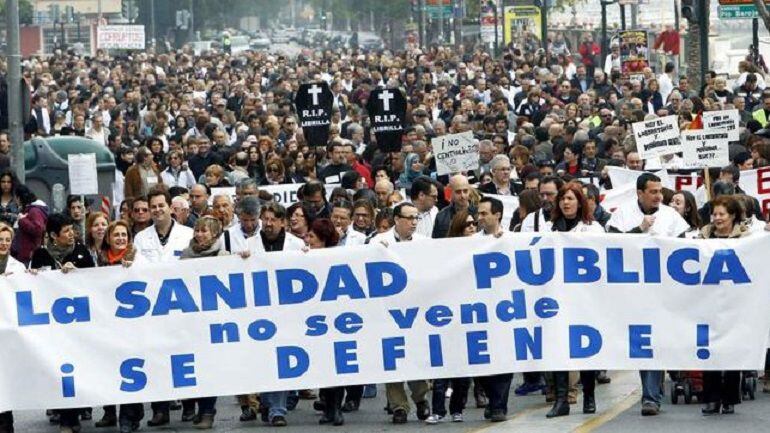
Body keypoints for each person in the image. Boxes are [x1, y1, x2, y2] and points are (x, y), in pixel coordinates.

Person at [606, 173, 690, 416]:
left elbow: (683, 250)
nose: (658, 196)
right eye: (653, 191)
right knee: (643, 341)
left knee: (658, 339)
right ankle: (652, 393)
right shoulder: (622, 214)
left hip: (663, 290)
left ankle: (656, 391)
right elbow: (610, 246)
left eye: (660, 191)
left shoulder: (671, 216)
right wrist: (639, 230)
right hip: (632, 291)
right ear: (640, 193)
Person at [30, 213, 95, 433]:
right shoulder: (41, 254)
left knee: (77, 366)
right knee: (59, 368)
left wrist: (78, 273)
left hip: (78, 321)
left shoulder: (81, 252)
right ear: (53, 235)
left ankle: (73, 414)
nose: (71, 234)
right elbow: (33, 285)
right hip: (53, 324)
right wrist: (33, 275)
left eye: (72, 229)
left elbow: (96, 280)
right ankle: (66, 416)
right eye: (66, 231)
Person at [545, 183, 604, 418]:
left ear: (580, 202)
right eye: (562, 198)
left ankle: (589, 395)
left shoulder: (593, 229)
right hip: (557, 297)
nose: (565, 202)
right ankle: (562, 400)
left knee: (585, 347)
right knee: (558, 347)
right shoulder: (550, 229)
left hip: (585, 298)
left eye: (570, 198)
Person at [369, 203, 430, 424]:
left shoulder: (424, 243)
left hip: (414, 309)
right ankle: (398, 406)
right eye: (409, 218)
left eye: (416, 218)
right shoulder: (378, 242)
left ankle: (421, 397)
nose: (414, 222)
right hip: (388, 309)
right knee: (392, 358)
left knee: (415, 354)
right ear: (397, 219)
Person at [246, 202, 304, 427]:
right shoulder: (249, 244)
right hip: (259, 311)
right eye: (265, 219)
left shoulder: (296, 245)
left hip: (288, 312)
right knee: (264, 359)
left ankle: (277, 410)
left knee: (282, 358)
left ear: (282, 222)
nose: (268, 224)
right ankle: (268, 402)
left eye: (273, 220)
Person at [697, 195, 749, 415]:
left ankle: (729, 398)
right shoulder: (702, 236)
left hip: (736, 301)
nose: (717, 218)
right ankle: (711, 398)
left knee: (732, 349)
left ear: (733, 216)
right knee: (708, 349)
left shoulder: (746, 237)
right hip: (707, 299)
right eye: (714, 214)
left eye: (722, 214)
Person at [425, 209, 476, 425]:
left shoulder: (483, 245)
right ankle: (438, 410)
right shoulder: (443, 251)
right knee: (442, 367)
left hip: (469, 315)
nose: (472, 227)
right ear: (458, 228)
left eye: (474, 224)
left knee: (463, 370)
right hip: (445, 316)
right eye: (467, 224)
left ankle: (457, 409)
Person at [96, 220, 146, 432]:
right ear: (108, 238)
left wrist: (133, 270)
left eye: (124, 235)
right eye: (116, 235)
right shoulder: (98, 260)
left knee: (129, 369)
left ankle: (128, 415)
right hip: (106, 323)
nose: (121, 238)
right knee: (110, 368)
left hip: (132, 324)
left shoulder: (138, 258)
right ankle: (118, 413)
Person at [473, 196, 515, 422]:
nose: (479, 218)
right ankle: (493, 399)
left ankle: (499, 405)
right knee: (483, 361)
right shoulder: (470, 242)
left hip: (507, 308)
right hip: (480, 309)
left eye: (484, 213)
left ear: (497, 215)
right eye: (478, 213)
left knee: (505, 356)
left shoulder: (512, 239)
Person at [303, 218, 347, 425]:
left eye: (312, 236)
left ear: (323, 239)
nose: (307, 239)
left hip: (336, 319)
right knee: (323, 364)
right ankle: (328, 409)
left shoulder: (340, 256)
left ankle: (336, 408)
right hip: (314, 321)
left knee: (336, 364)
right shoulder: (303, 256)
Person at [13, 185, 48, 265]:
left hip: (29, 255)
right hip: (24, 254)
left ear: (19, 198)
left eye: (15, 198)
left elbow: (38, 229)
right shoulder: (29, 209)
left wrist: (22, 220)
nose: (15, 200)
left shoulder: (34, 211)